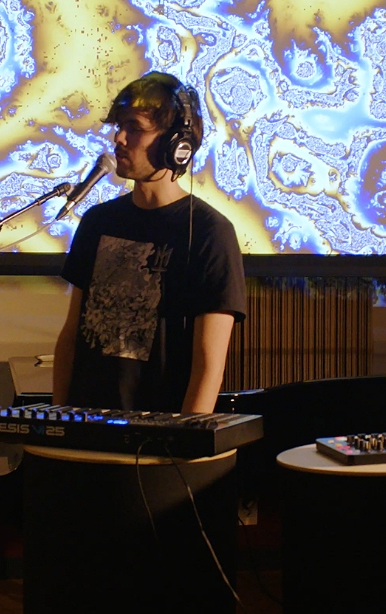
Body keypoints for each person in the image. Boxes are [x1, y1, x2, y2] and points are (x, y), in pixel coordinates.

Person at [52, 71, 246, 414]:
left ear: (178, 145)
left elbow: (208, 364)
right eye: (118, 127)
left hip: (159, 440)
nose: (119, 138)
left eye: (135, 128)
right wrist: (59, 417)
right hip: (86, 428)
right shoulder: (97, 222)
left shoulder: (210, 233)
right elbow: (70, 338)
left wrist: (184, 441)